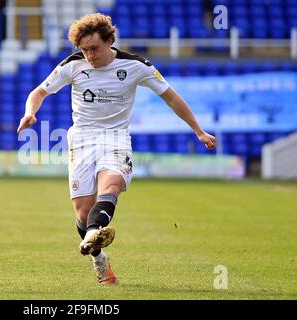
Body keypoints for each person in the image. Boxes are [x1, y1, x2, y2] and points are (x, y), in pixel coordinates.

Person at [17, 13, 216, 285]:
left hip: (116, 138)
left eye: (94, 49)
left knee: (110, 186)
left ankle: (96, 231)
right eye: (84, 50)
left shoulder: (136, 66)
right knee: (83, 215)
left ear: (110, 41)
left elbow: (170, 96)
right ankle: (99, 258)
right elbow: (38, 92)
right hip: (82, 140)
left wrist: (198, 130)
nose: (89, 55)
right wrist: (30, 113)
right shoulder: (72, 65)